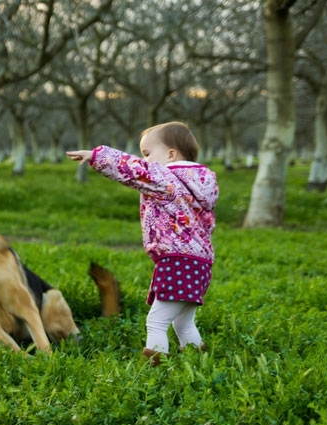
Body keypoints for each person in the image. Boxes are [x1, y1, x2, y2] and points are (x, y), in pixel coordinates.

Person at [66, 121, 218, 365]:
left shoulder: (167, 177)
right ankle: (196, 365)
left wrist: (96, 156)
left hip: (177, 261)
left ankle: (154, 370)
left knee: (156, 321)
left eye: (148, 154)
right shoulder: (202, 183)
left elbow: (134, 170)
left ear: (171, 154)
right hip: (201, 264)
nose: (145, 159)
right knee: (183, 321)